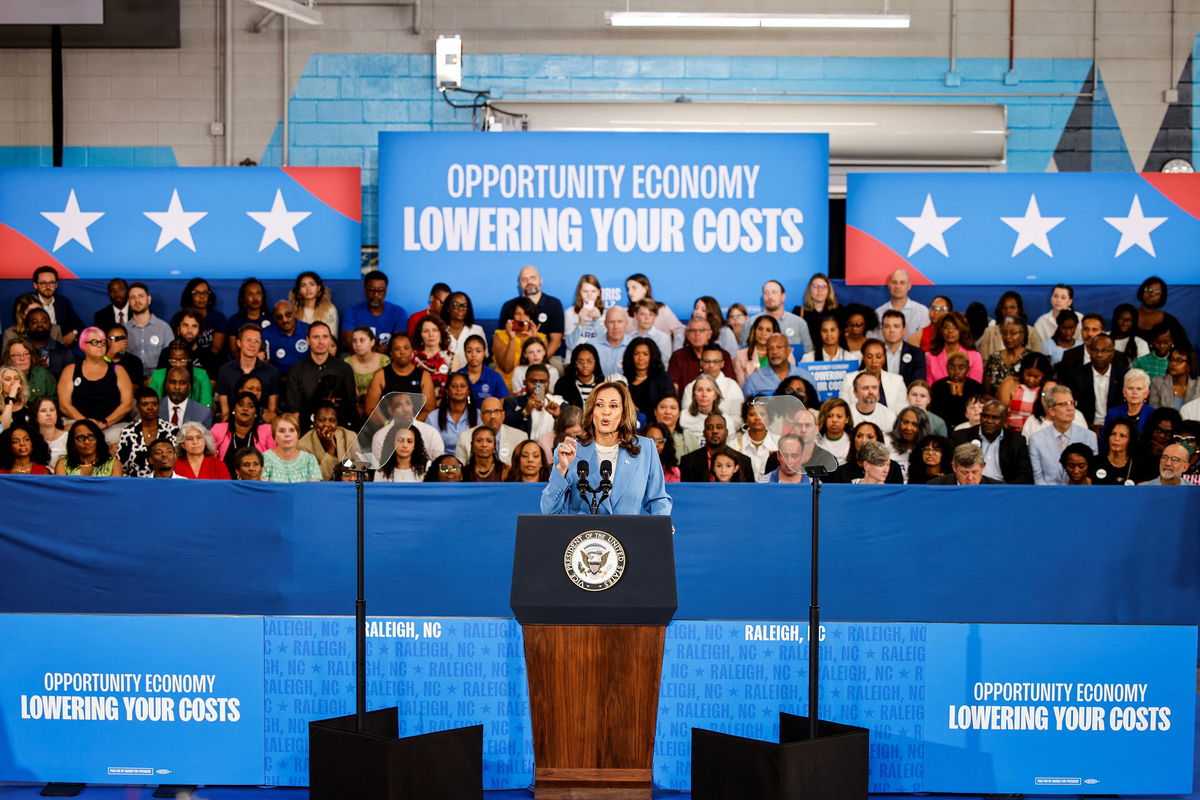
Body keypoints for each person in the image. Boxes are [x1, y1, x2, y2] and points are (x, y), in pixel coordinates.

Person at [541, 381, 671, 515]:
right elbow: (549, 511)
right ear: (591, 411)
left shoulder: (645, 449)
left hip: (627, 534)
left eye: (613, 406)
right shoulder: (569, 450)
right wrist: (561, 469)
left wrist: (663, 524)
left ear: (624, 413)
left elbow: (658, 499)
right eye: (599, 404)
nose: (606, 411)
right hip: (584, 534)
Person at [57, 327, 134, 441]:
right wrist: (86, 423)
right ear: (83, 345)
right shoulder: (70, 370)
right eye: (94, 342)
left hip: (112, 425)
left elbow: (127, 404)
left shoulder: (118, 370)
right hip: (78, 422)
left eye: (103, 342)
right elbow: (65, 405)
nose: (100, 345)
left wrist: (104, 423)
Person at [951, 399, 1034, 484]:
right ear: (980, 416)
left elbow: (1025, 474)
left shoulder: (1017, 441)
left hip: (1003, 490)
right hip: (970, 486)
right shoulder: (960, 437)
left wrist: (1007, 491)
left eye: (995, 418)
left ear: (1005, 420)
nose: (989, 421)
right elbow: (952, 468)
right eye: (985, 416)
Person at [285, 321, 357, 416]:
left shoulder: (344, 369)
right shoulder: (296, 370)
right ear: (308, 340)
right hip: (304, 425)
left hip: (338, 425)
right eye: (316, 337)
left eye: (325, 337)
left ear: (331, 340)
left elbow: (350, 405)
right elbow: (293, 409)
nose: (321, 342)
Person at [1029, 386, 1098, 484]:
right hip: (1049, 495)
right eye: (1064, 404)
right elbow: (1038, 478)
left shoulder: (1089, 437)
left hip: (1080, 494)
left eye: (1072, 403)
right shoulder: (1036, 440)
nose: (1070, 408)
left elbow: (1091, 474)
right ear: (1052, 411)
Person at [215, 324, 280, 422]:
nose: (252, 345)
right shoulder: (225, 370)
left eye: (257, 341)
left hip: (262, 425)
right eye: (248, 340)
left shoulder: (271, 372)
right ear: (239, 343)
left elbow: (272, 413)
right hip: (232, 424)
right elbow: (225, 413)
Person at [364, 334, 436, 422]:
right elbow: (370, 409)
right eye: (397, 349)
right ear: (391, 353)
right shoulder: (380, 375)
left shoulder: (424, 376)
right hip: (386, 428)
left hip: (416, 427)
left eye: (406, 348)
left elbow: (429, 409)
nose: (402, 352)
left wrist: (411, 426)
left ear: (412, 350)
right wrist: (388, 425)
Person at [498, 265, 565, 359]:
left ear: (541, 281)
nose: (529, 282)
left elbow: (556, 341)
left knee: (557, 366)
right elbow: (501, 339)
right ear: (519, 284)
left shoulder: (554, 304)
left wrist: (540, 362)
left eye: (533, 278)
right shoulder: (508, 306)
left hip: (547, 356)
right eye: (524, 279)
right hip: (513, 356)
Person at [1063, 334, 1126, 431]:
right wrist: (1088, 426)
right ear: (1089, 351)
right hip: (1084, 427)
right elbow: (1071, 406)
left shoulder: (1122, 376)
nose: (1099, 355)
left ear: (1112, 353)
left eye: (1104, 351)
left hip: (1116, 427)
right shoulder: (1077, 376)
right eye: (1095, 350)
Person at [117, 387, 180, 478]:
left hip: (167, 482)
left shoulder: (172, 430)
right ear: (137, 407)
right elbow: (122, 465)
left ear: (159, 405)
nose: (150, 408)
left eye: (154, 404)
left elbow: (178, 459)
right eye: (145, 404)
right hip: (136, 484)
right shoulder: (128, 432)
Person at [739, 280, 813, 355]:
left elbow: (808, 353)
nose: (770, 296)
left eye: (774, 292)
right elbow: (743, 353)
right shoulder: (750, 323)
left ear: (783, 296)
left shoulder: (799, 323)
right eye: (766, 293)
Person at [340, 270, 407, 351]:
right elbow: (347, 342)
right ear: (365, 289)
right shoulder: (353, 312)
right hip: (361, 357)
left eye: (380, 290)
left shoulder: (398, 312)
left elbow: (400, 343)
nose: (376, 295)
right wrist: (374, 350)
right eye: (371, 290)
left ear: (386, 290)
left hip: (389, 358)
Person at [211, 391, 276, 474]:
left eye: (251, 406)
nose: (245, 408)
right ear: (234, 409)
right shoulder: (218, 429)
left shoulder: (267, 431)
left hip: (256, 483)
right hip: (224, 483)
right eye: (241, 405)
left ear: (256, 413)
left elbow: (272, 462)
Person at [493, 296, 547, 391]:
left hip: (535, 386)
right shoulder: (500, 336)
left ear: (531, 316)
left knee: (539, 389)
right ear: (512, 316)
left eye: (526, 314)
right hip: (507, 385)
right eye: (518, 313)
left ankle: (537, 404)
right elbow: (507, 368)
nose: (522, 318)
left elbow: (541, 369)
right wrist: (512, 338)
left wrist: (533, 339)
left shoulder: (540, 337)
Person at [679, 413, 752, 482]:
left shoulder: (743, 461)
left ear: (726, 432)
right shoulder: (688, 461)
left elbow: (750, 493)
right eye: (709, 428)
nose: (714, 431)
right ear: (704, 433)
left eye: (719, 427)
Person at [669, 316, 736, 390]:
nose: (697, 334)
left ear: (709, 334)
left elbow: (730, 384)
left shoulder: (722, 355)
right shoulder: (678, 356)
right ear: (687, 335)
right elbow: (673, 386)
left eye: (702, 330)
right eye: (692, 330)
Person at [456, 396, 524, 467]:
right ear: (481, 416)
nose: (493, 416)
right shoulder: (465, 437)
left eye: (497, 411)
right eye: (488, 412)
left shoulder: (520, 438)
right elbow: (460, 469)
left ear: (503, 415)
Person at [839, 339, 905, 409]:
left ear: (884, 358)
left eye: (878, 357)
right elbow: (843, 408)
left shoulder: (897, 380)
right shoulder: (849, 379)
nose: (874, 361)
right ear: (863, 358)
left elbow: (903, 409)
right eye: (869, 357)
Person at [743, 334, 816, 397]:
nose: (774, 351)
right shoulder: (753, 380)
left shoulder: (806, 377)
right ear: (766, 353)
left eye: (779, 347)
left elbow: (814, 406)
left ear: (788, 350)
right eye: (770, 348)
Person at [296, 402, 355, 480]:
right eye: (322, 420)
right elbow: (316, 478)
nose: (327, 424)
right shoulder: (303, 445)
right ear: (315, 423)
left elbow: (361, 472)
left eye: (332, 420)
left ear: (337, 423)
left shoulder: (350, 437)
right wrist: (331, 451)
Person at [829, 421, 903, 484]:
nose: (864, 441)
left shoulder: (893, 468)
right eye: (859, 436)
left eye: (870, 437)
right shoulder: (841, 472)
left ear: (878, 440)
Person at [503, 364, 563, 441]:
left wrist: (557, 416)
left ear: (549, 383)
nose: (537, 386)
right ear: (524, 382)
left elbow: (568, 428)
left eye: (542, 381)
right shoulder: (512, 403)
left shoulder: (559, 403)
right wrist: (526, 411)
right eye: (533, 381)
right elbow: (507, 426)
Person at [997, 352, 1051, 434]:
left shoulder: (1047, 388)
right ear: (1022, 370)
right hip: (1010, 432)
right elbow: (1000, 410)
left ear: (1044, 375)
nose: (1031, 379)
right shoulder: (1010, 382)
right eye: (1028, 375)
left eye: (1036, 377)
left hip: (1036, 432)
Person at [977, 292, 1042, 360]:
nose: (1008, 311)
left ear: (1019, 309)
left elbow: (1037, 361)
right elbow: (984, 361)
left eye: (1012, 307)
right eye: (1004, 308)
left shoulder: (1031, 332)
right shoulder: (989, 332)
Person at [624, 273, 683, 347]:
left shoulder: (662, 309)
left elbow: (680, 330)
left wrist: (676, 351)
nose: (630, 292)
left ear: (645, 288)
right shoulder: (625, 312)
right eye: (628, 289)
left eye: (634, 288)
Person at [1133, 276, 1190, 352]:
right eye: (1148, 289)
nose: (1151, 294)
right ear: (1141, 291)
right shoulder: (1128, 317)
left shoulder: (1170, 321)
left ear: (1162, 296)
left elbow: (1185, 349)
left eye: (1157, 292)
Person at [1091, 417, 1154, 486]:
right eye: (1113, 434)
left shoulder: (1140, 467)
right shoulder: (1094, 462)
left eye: (1122, 436)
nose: (1116, 439)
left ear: (1130, 440)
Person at [148, 341, 212, 408]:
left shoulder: (201, 375)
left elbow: (206, 405)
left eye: (182, 360)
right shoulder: (158, 375)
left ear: (189, 359)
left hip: (194, 416)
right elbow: (152, 403)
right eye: (173, 360)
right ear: (168, 360)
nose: (178, 365)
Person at [122, 283, 173, 368]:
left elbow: (171, 359)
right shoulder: (124, 330)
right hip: (130, 378)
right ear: (128, 302)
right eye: (133, 297)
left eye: (141, 296)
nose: (137, 301)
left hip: (158, 378)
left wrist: (156, 378)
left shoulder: (164, 328)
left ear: (149, 299)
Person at [31, 266, 84, 346]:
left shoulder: (62, 302)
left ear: (56, 284)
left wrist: (73, 333)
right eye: (43, 283)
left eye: (51, 283)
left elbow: (78, 325)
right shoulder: (28, 302)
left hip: (58, 347)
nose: (48, 287)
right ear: (35, 285)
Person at [1058, 314, 1126, 376]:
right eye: (1086, 329)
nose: (1089, 334)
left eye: (1094, 330)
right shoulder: (1069, 356)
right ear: (1081, 331)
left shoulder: (1118, 358)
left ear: (1102, 332)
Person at [261, 413, 322, 482]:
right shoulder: (265, 458)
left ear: (298, 435)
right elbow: (263, 490)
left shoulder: (310, 460)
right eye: (282, 431)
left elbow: (313, 490)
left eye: (292, 430)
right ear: (274, 436)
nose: (287, 434)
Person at [926, 311, 983, 384]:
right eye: (946, 327)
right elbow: (929, 387)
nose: (950, 331)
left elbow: (975, 386)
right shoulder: (931, 357)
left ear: (961, 330)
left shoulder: (974, 356)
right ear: (941, 330)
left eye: (955, 328)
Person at [622, 338, 673, 418]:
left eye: (645, 354)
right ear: (630, 356)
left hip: (655, 425)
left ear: (652, 356)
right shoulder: (623, 380)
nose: (640, 358)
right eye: (636, 354)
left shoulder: (663, 378)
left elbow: (670, 403)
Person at [930, 352, 983, 428]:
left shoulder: (976, 387)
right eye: (951, 367)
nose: (956, 372)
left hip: (969, 427)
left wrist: (960, 395)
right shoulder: (938, 386)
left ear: (968, 369)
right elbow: (935, 413)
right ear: (947, 368)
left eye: (961, 368)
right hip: (943, 427)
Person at [344, 326, 389, 416]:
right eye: (354, 341)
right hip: (355, 408)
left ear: (372, 342)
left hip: (381, 407)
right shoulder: (347, 362)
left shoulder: (384, 360)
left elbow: (388, 389)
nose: (358, 344)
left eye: (362, 340)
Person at [728, 400, 777, 480]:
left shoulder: (779, 443)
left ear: (769, 418)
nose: (757, 418)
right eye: (752, 414)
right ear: (745, 419)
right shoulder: (733, 445)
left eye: (762, 414)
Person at [983, 316, 1032, 395]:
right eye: (1004, 333)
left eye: (1013, 333)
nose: (1008, 337)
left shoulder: (1031, 358)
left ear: (1023, 335)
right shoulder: (994, 358)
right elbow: (986, 389)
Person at [178, 278, 228, 357]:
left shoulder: (219, 318)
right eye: (197, 293)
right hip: (186, 361)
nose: (201, 297)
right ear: (189, 295)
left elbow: (216, 349)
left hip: (212, 362)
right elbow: (178, 346)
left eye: (205, 293)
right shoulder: (180, 318)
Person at [55, 419, 122, 476]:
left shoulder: (114, 464)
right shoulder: (62, 464)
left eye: (91, 436)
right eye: (81, 438)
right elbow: (62, 490)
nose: (87, 441)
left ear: (98, 439)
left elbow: (115, 490)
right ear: (73, 442)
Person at [876, 309, 926, 386]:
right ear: (882, 331)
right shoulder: (874, 352)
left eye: (896, 326)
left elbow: (918, 383)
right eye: (887, 326)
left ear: (904, 331)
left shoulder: (916, 354)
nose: (892, 330)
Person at [874, 268, 930, 336]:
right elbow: (873, 341)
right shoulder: (878, 313)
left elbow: (925, 341)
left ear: (909, 286)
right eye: (894, 282)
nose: (897, 286)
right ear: (888, 285)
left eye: (902, 283)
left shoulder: (922, 312)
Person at [431, 373, 477, 453]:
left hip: (470, 462)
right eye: (454, 386)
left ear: (468, 391)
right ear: (447, 391)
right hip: (441, 462)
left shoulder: (479, 416)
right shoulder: (433, 417)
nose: (459, 389)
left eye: (462, 386)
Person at [457, 334, 508, 406]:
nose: (474, 354)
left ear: (484, 353)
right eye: (469, 351)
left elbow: (499, 407)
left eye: (478, 351)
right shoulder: (457, 377)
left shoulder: (495, 377)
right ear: (465, 353)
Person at [735, 314, 787, 384]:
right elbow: (742, 387)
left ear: (775, 333)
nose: (763, 333)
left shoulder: (786, 354)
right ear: (754, 331)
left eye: (768, 330)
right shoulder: (740, 355)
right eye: (760, 329)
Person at [441, 291, 486, 371]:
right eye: (456, 305)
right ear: (448, 308)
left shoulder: (477, 330)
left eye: (464, 305)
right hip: (444, 375)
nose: (461, 308)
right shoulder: (440, 331)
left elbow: (484, 356)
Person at [265, 300, 310, 377]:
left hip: (306, 378)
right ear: (274, 318)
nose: (284, 320)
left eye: (288, 314)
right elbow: (264, 363)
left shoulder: (309, 330)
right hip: (278, 380)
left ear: (295, 313)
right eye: (279, 317)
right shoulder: (267, 333)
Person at [2, 338, 55, 403]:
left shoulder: (42, 373)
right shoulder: (2, 376)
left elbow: (54, 401)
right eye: (17, 355)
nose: (22, 358)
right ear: (9, 358)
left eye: (26, 354)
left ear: (31, 356)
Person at [24, 308, 74, 377]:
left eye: (44, 322)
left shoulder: (64, 352)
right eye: (34, 322)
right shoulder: (19, 349)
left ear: (51, 326)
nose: (40, 325)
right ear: (27, 327)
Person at [224, 278, 272, 350]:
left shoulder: (272, 319)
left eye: (258, 293)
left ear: (263, 296)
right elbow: (234, 350)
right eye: (250, 294)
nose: (255, 297)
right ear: (243, 298)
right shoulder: (235, 321)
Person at [1103, 368, 1153, 434]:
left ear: (1146, 393)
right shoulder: (1112, 414)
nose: (1134, 392)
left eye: (1139, 389)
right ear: (1124, 392)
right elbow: (1105, 440)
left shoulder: (1152, 415)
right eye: (1130, 388)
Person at [796, 273, 839, 347]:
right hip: (808, 355)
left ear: (829, 290)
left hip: (832, 355)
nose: (820, 290)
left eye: (824, 287)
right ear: (810, 290)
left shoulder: (838, 311)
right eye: (815, 286)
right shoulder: (799, 312)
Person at [928, 443, 1003, 485]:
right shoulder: (936, 486)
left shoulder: (997, 489)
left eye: (975, 472)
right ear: (954, 467)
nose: (970, 478)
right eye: (965, 472)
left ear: (983, 466)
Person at [1149, 347, 1198, 411]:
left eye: (1179, 360)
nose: (1173, 363)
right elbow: (1154, 411)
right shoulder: (1158, 382)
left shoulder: (1198, 385)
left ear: (1189, 365)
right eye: (1171, 359)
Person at [887, 406, 930, 478]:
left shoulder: (929, 448)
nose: (908, 428)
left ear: (922, 427)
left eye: (914, 424)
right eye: (905, 422)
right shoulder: (887, 441)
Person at [653, 392, 701, 457]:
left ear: (679, 413)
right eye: (663, 407)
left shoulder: (691, 439)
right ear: (655, 411)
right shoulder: (644, 436)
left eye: (673, 408)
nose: (668, 412)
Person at [563, 274, 605, 345]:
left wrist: (597, 321)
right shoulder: (570, 313)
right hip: (575, 355)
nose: (589, 295)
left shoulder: (606, 314)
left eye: (593, 291)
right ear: (580, 292)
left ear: (599, 292)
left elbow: (605, 343)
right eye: (585, 291)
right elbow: (570, 344)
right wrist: (580, 323)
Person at [32, 396, 67, 470]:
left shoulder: (67, 437)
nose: (49, 414)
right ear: (35, 415)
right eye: (43, 411)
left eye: (52, 410)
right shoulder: (31, 439)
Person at [1, 364, 32, 432]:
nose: (13, 383)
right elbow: (3, 428)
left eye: (16, 378)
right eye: (8, 379)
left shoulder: (27, 405)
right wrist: (11, 397)